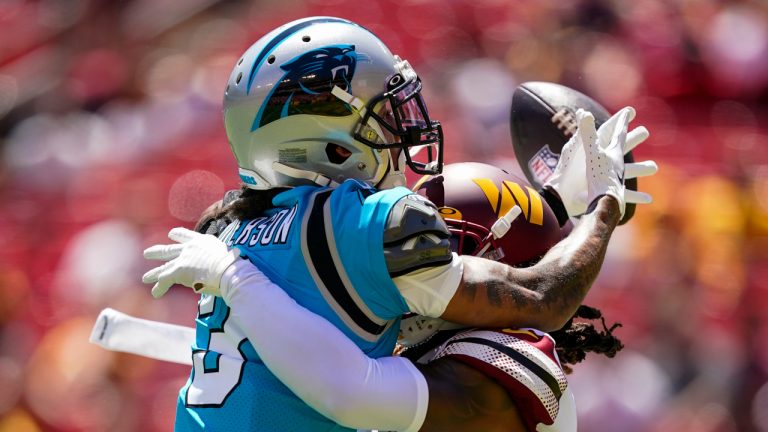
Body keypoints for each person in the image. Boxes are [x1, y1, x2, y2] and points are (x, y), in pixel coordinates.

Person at [142, 16, 657, 431]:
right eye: (384, 113)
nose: (403, 127)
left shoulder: (227, 227)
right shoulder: (374, 224)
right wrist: (602, 204)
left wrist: (554, 205)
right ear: (329, 138)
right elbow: (543, 295)